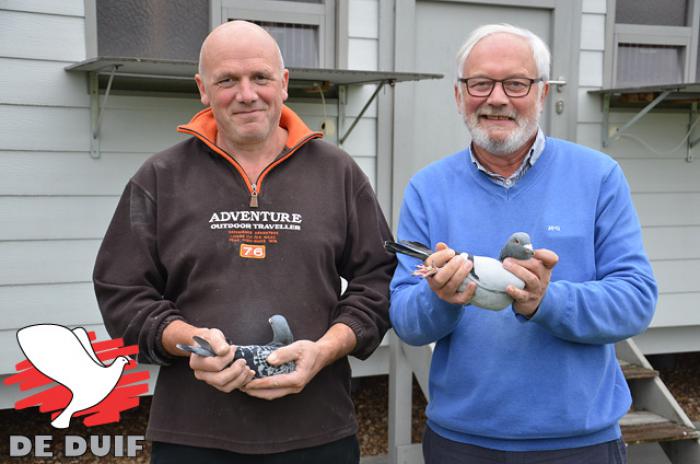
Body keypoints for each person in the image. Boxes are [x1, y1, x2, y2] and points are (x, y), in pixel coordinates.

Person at [93, 20, 396, 464]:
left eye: (260, 77)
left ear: (285, 83)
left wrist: (326, 349)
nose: (247, 94)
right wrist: (186, 339)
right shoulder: (160, 178)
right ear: (202, 89)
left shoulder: (338, 173)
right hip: (193, 432)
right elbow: (122, 290)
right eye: (227, 80)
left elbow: (380, 280)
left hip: (317, 429)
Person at [389, 23, 657, 464]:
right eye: (480, 83)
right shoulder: (428, 188)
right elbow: (406, 320)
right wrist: (442, 298)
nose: (497, 98)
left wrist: (545, 301)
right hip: (463, 443)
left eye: (515, 83)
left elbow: (635, 300)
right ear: (459, 94)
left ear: (543, 93)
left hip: (578, 444)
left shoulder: (597, 177)